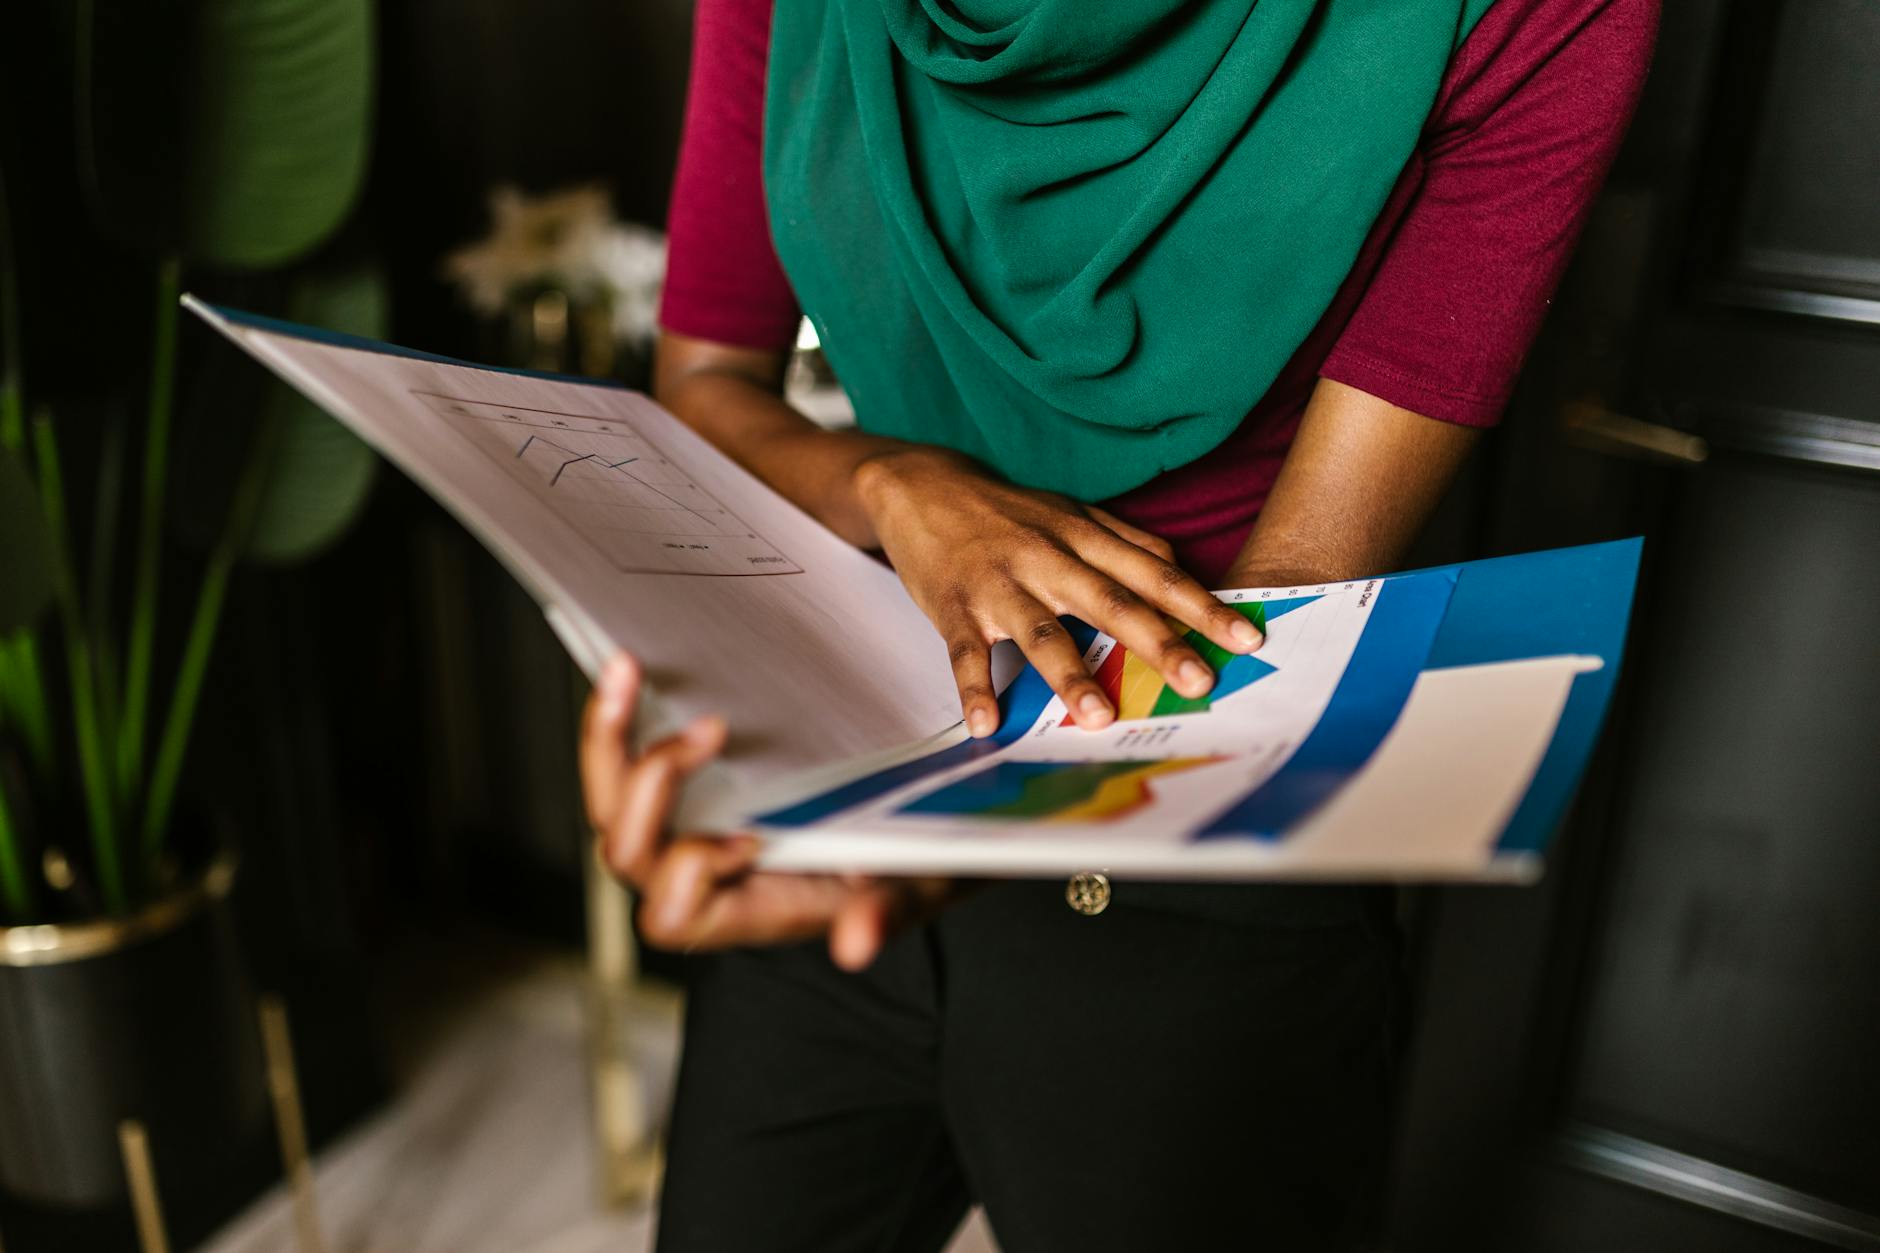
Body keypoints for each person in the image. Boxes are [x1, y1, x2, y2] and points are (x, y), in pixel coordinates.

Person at [581, 0, 1657, 1247]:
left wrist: (971, 833)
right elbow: (705, 382)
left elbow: (1285, 599)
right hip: (872, 751)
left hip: (1201, 824)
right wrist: (895, 484)